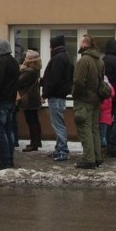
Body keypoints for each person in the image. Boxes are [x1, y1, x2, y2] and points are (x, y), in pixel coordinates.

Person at [72, 35, 105, 169]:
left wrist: (76, 95)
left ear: (85, 45)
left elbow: (78, 81)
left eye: (81, 42)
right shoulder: (100, 61)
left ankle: (88, 158)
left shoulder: (84, 61)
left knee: (85, 128)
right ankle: (97, 157)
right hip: (96, 99)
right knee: (94, 129)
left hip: (84, 100)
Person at [0, 39, 20, 171]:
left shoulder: (1, 63)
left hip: (0, 101)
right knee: (9, 131)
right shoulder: (13, 62)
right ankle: (9, 159)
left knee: (0, 132)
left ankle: (5, 160)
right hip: (10, 100)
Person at [41, 34, 74, 162]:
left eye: (50, 44)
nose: (49, 47)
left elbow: (54, 79)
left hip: (56, 96)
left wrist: (45, 94)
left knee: (58, 124)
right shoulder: (64, 57)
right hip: (59, 95)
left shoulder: (58, 58)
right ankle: (59, 148)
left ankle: (62, 150)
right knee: (58, 123)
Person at [18, 50, 43, 152]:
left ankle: (34, 143)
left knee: (31, 120)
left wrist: (19, 70)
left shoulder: (29, 71)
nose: (25, 59)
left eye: (27, 58)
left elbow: (18, 82)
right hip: (33, 98)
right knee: (35, 120)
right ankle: (37, 141)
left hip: (29, 99)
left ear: (32, 60)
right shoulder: (34, 69)